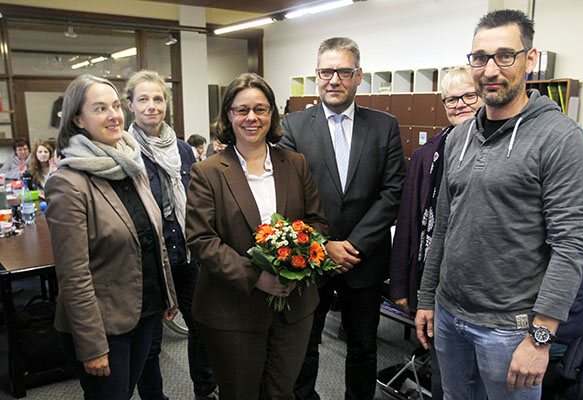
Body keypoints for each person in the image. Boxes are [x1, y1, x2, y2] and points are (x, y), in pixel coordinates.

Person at [415, 9, 583, 400]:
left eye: (504, 55)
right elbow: (444, 225)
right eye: (479, 58)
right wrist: (428, 300)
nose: (490, 69)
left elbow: (570, 247)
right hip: (449, 315)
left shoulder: (561, 139)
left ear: (530, 59)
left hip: (511, 329)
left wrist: (540, 338)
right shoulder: (458, 137)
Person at [185, 72, 327, 400]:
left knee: (281, 392)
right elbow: (201, 239)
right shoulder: (207, 172)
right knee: (241, 393)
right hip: (232, 310)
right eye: (242, 110)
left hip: (294, 305)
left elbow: (317, 222)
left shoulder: (295, 163)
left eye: (261, 109)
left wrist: (297, 261)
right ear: (228, 116)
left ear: (272, 115)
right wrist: (256, 277)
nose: (252, 118)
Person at [279, 37, 405, 400]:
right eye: (326, 71)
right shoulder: (293, 127)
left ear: (358, 76)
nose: (334, 79)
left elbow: (392, 192)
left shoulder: (385, 126)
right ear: (317, 76)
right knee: (304, 346)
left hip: (363, 262)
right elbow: (289, 197)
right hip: (310, 261)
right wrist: (324, 246)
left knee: (363, 348)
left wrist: (352, 245)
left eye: (344, 71)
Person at [45, 74, 178, 400]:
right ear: (78, 119)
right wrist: (91, 346)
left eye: (116, 106)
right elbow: (73, 275)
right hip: (103, 327)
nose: (114, 115)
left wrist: (167, 295)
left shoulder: (129, 162)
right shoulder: (68, 182)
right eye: (100, 108)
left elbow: (153, 239)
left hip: (142, 311)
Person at [389, 65, 484, 400]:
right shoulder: (428, 153)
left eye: (467, 96)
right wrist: (402, 283)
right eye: (449, 99)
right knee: (448, 382)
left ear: (484, 95)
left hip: (487, 295)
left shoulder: (501, 151)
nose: (458, 104)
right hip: (439, 288)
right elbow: (409, 220)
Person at [125, 70, 217, 400]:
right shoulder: (122, 150)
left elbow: (193, 198)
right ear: (130, 105)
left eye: (158, 98)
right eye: (144, 99)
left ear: (167, 104)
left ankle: (205, 391)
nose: (152, 106)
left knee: (203, 328)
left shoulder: (182, 149)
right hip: (148, 259)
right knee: (150, 344)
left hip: (186, 254)